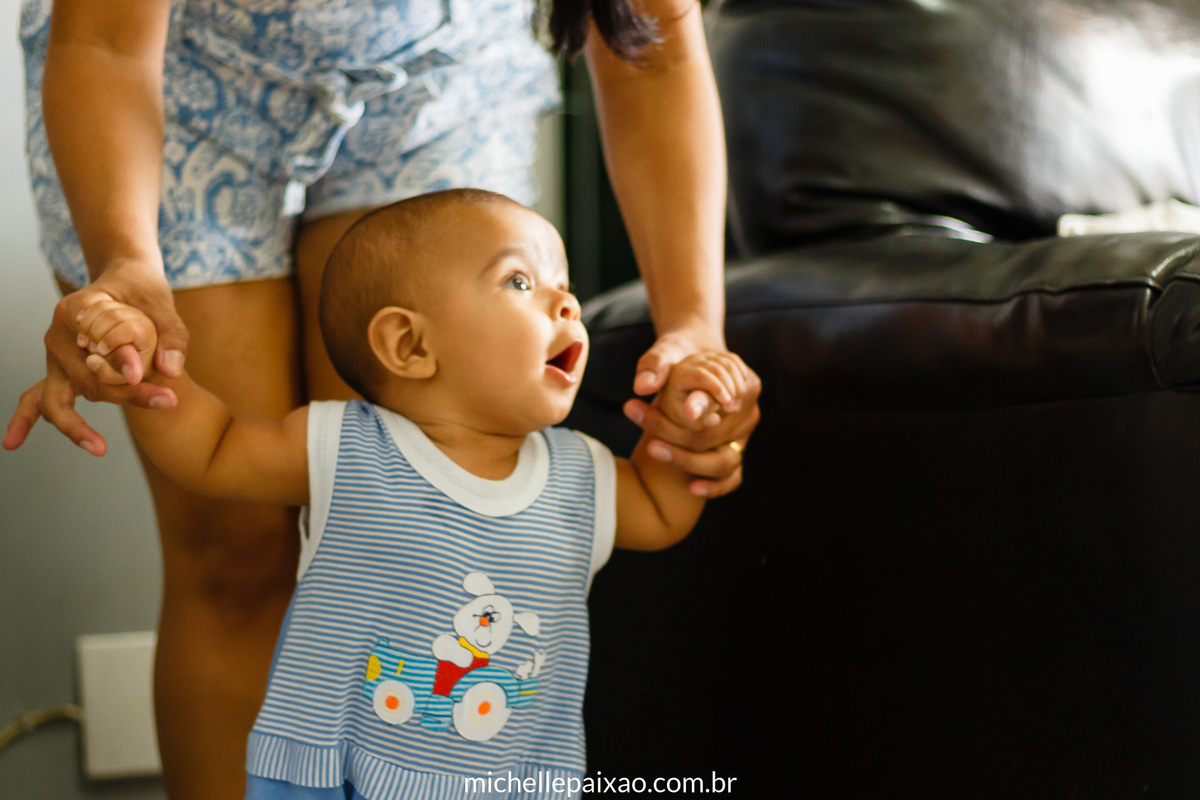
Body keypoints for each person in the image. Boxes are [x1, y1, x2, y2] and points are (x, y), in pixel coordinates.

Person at [7, 0, 756, 796]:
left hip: (434, 73)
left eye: (563, 291)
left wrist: (694, 345)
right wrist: (131, 320)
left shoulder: (580, 480)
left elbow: (653, 49)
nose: (569, 308)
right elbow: (107, 44)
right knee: (234, 549)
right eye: (528, 286)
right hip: (179, 75)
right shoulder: (344, 447)